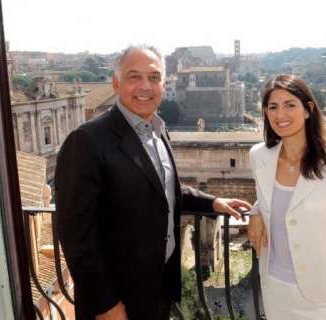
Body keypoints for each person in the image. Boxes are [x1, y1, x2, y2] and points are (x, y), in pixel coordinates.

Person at [55, 45, 251, 320]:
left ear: (163, 83)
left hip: (158, 289)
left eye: (154, 77)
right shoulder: (86, 141)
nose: (145, 86)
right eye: (134, 77)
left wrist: (213, 202)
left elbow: (163, 189)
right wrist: (105, 304)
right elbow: (76, 235)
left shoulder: (157, 132)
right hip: (117, 300)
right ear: (115, 83)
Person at [247, 74, 326, 320]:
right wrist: (256, 211)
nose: (280, 115)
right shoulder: (259, 157)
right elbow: (278, 200)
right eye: (273, 107)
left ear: (308, 109)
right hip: (276, 292)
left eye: (290, 105)